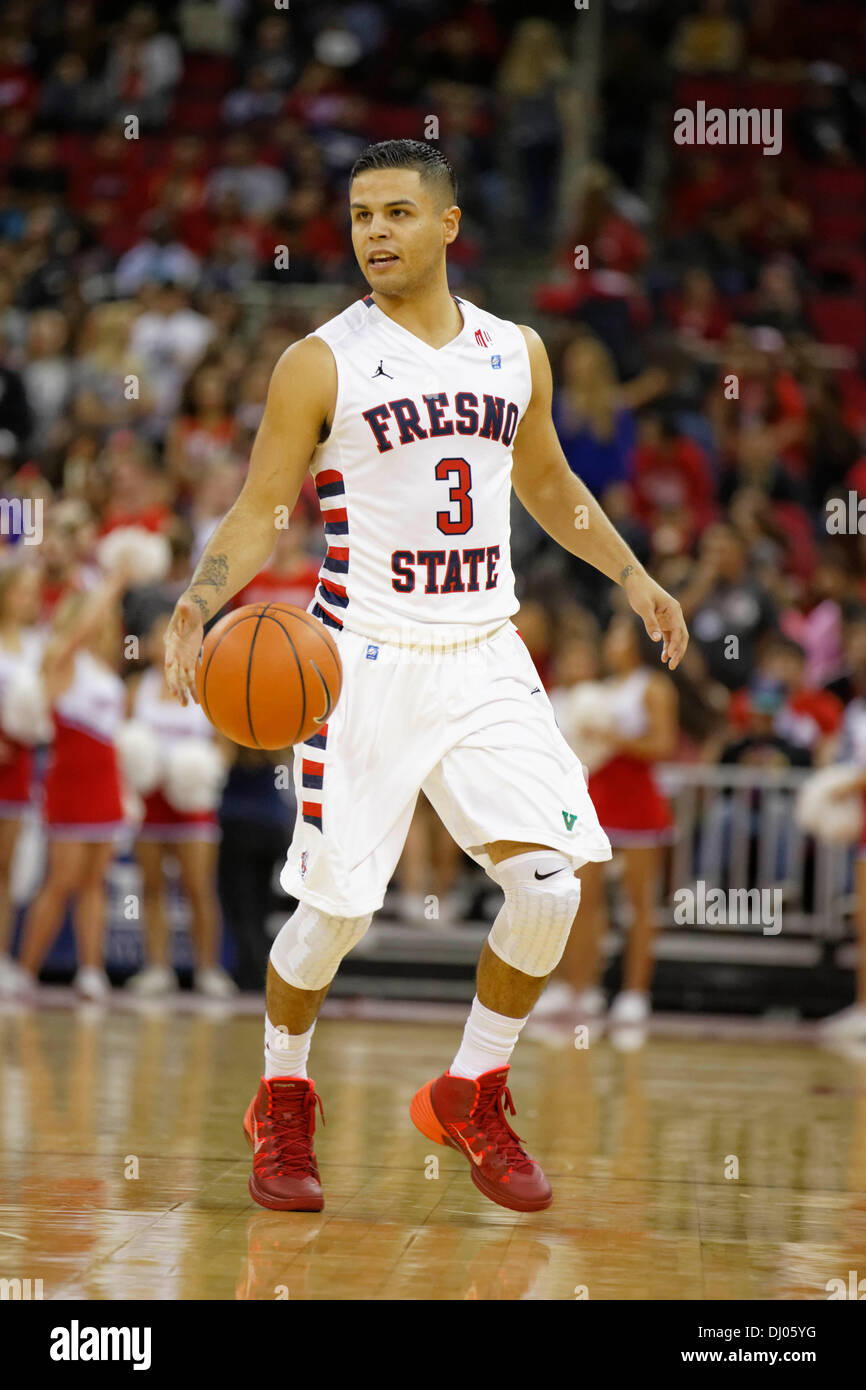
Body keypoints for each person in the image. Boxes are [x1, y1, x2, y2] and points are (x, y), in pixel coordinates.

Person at [164, 139, 688, 1215]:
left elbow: (547, 482)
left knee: (550, 886)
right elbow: (267, 505)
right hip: (359, 658)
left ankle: (470, 1087)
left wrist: (633, 576)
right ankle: (282, 1099)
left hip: (486, 650)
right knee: (333, 916)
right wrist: (198, 595)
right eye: (360, 216)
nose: (375, 233)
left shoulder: (516, 351)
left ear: (449, 225)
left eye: (398, 212)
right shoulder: (320, 360)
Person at [545, 613, 678, 1029]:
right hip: (597, 800)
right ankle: (581, 990)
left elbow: (663, 744)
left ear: (638, 641)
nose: (611, 641)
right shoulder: (598, 690)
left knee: (638, 905)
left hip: (638, 804)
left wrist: (614, 736)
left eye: (620, 633)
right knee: (584, 903)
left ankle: (635, 994)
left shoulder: (653, 687)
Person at [9, 564, 130, 999]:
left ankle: (91, 971)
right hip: (71, 783)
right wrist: (114, 582)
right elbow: (82, 629)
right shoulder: (58, 658)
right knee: (60, 881)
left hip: (105, 783)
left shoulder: (103, 665)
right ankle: (26, 970)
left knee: (95, 882)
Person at [124, 611, 235, 999]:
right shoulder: (138, 687)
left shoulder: (207, 686)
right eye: (160, 637)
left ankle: (208, 969)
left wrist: (203, 770)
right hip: (151, 800)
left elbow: (225, 746)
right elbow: (123, 740)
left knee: (198, 888)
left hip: (192, 802)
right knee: (152, 887)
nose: (166, 645)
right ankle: (158, 968)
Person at [0, 563, 44, 989]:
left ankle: (1, 956)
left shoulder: (36, 645)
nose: (30, 599)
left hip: (16, 769)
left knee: (5, 868)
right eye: (23, 590)